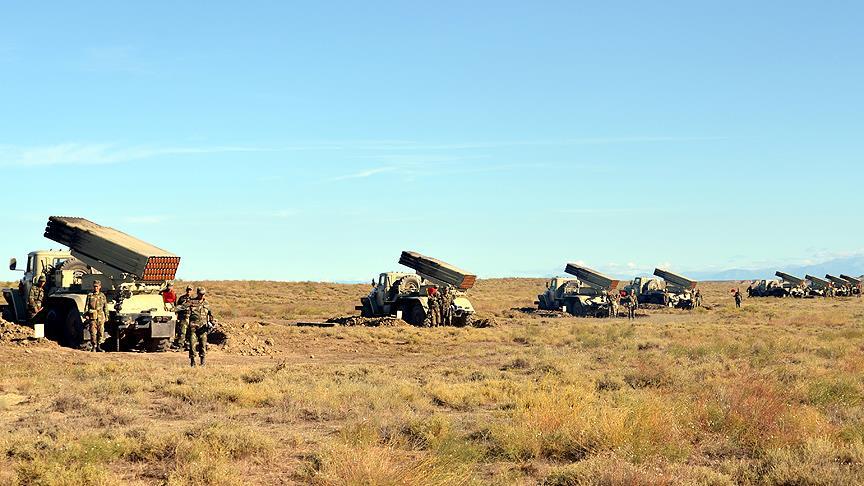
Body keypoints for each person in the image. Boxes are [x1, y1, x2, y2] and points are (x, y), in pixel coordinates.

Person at [187, 287, 213, 367]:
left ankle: (203, 362)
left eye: (203, 294)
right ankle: (193, 362)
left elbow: (210, 314)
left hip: (203, 328)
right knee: (192, 345)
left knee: (203, 345)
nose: (202, 295)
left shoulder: (206, 303)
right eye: (200, 294)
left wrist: (211, 323)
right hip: (193, 328)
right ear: (197, 293)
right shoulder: (191, 302)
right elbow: (183, 310)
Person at [85, 280, 109, 352]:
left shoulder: (102, 296)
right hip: (93, 317)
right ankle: (94, 347)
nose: (96, 288)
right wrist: (86, 314)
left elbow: (105, 307)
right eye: (95, 286)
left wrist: (106, 316)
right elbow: (87, 306)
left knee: (101, 332)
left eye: (97, 286)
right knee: (93, 332)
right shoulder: (90, 295)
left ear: (100, 287)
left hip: (101, 317)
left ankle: (99, 346)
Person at [173, 286, 194, 350]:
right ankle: (180, 345)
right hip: (183, 317)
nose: (189, 291)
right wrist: (177, 316)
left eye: (190, 290)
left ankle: (189, 345)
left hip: (191, 317)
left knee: (191, 332)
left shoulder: (194, 299)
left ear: (192, 291)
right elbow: (178, 307)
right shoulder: (182, 298)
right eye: (188, 290)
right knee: (182, 332)